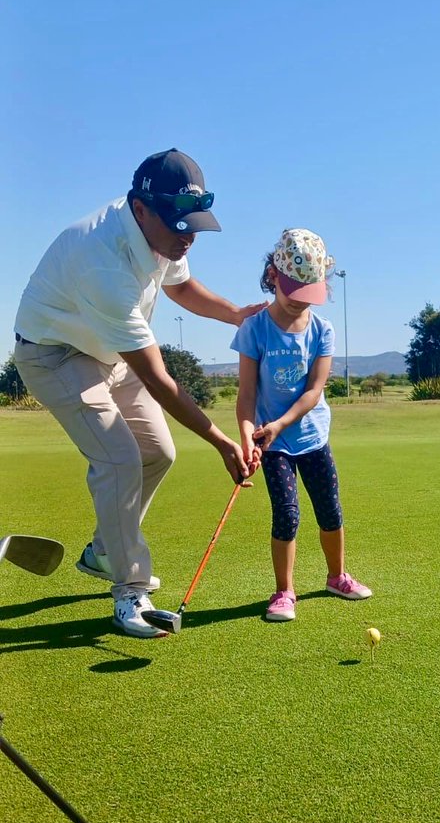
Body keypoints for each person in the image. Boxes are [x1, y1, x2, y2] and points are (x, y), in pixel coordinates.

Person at [13, 148, 266, 638]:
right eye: (178, 225)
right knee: (119, 459)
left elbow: (182, 289)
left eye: (193, 224)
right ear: (140, 208)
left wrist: (235, 314)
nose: (187, 236)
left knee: (158, 451)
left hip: (105, 351)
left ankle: (104, 551)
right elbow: (159, 380)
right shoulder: (101, 261)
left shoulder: (162, 235)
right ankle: (129, 591)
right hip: (55, 355)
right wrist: (220, 441)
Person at [234, 227, 371, 622]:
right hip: (272, 445)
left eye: (309, 294)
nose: (300, 304)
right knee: (287, 514)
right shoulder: (254, 329)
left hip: (311, 436)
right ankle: (284, 591)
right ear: (274, 276)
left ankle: (337, 576)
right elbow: (245, 396)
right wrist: (249, 435)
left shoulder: (322, 330)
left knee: (329, 508)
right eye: (295, 293)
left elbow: (313, 392)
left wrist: (279, 422)